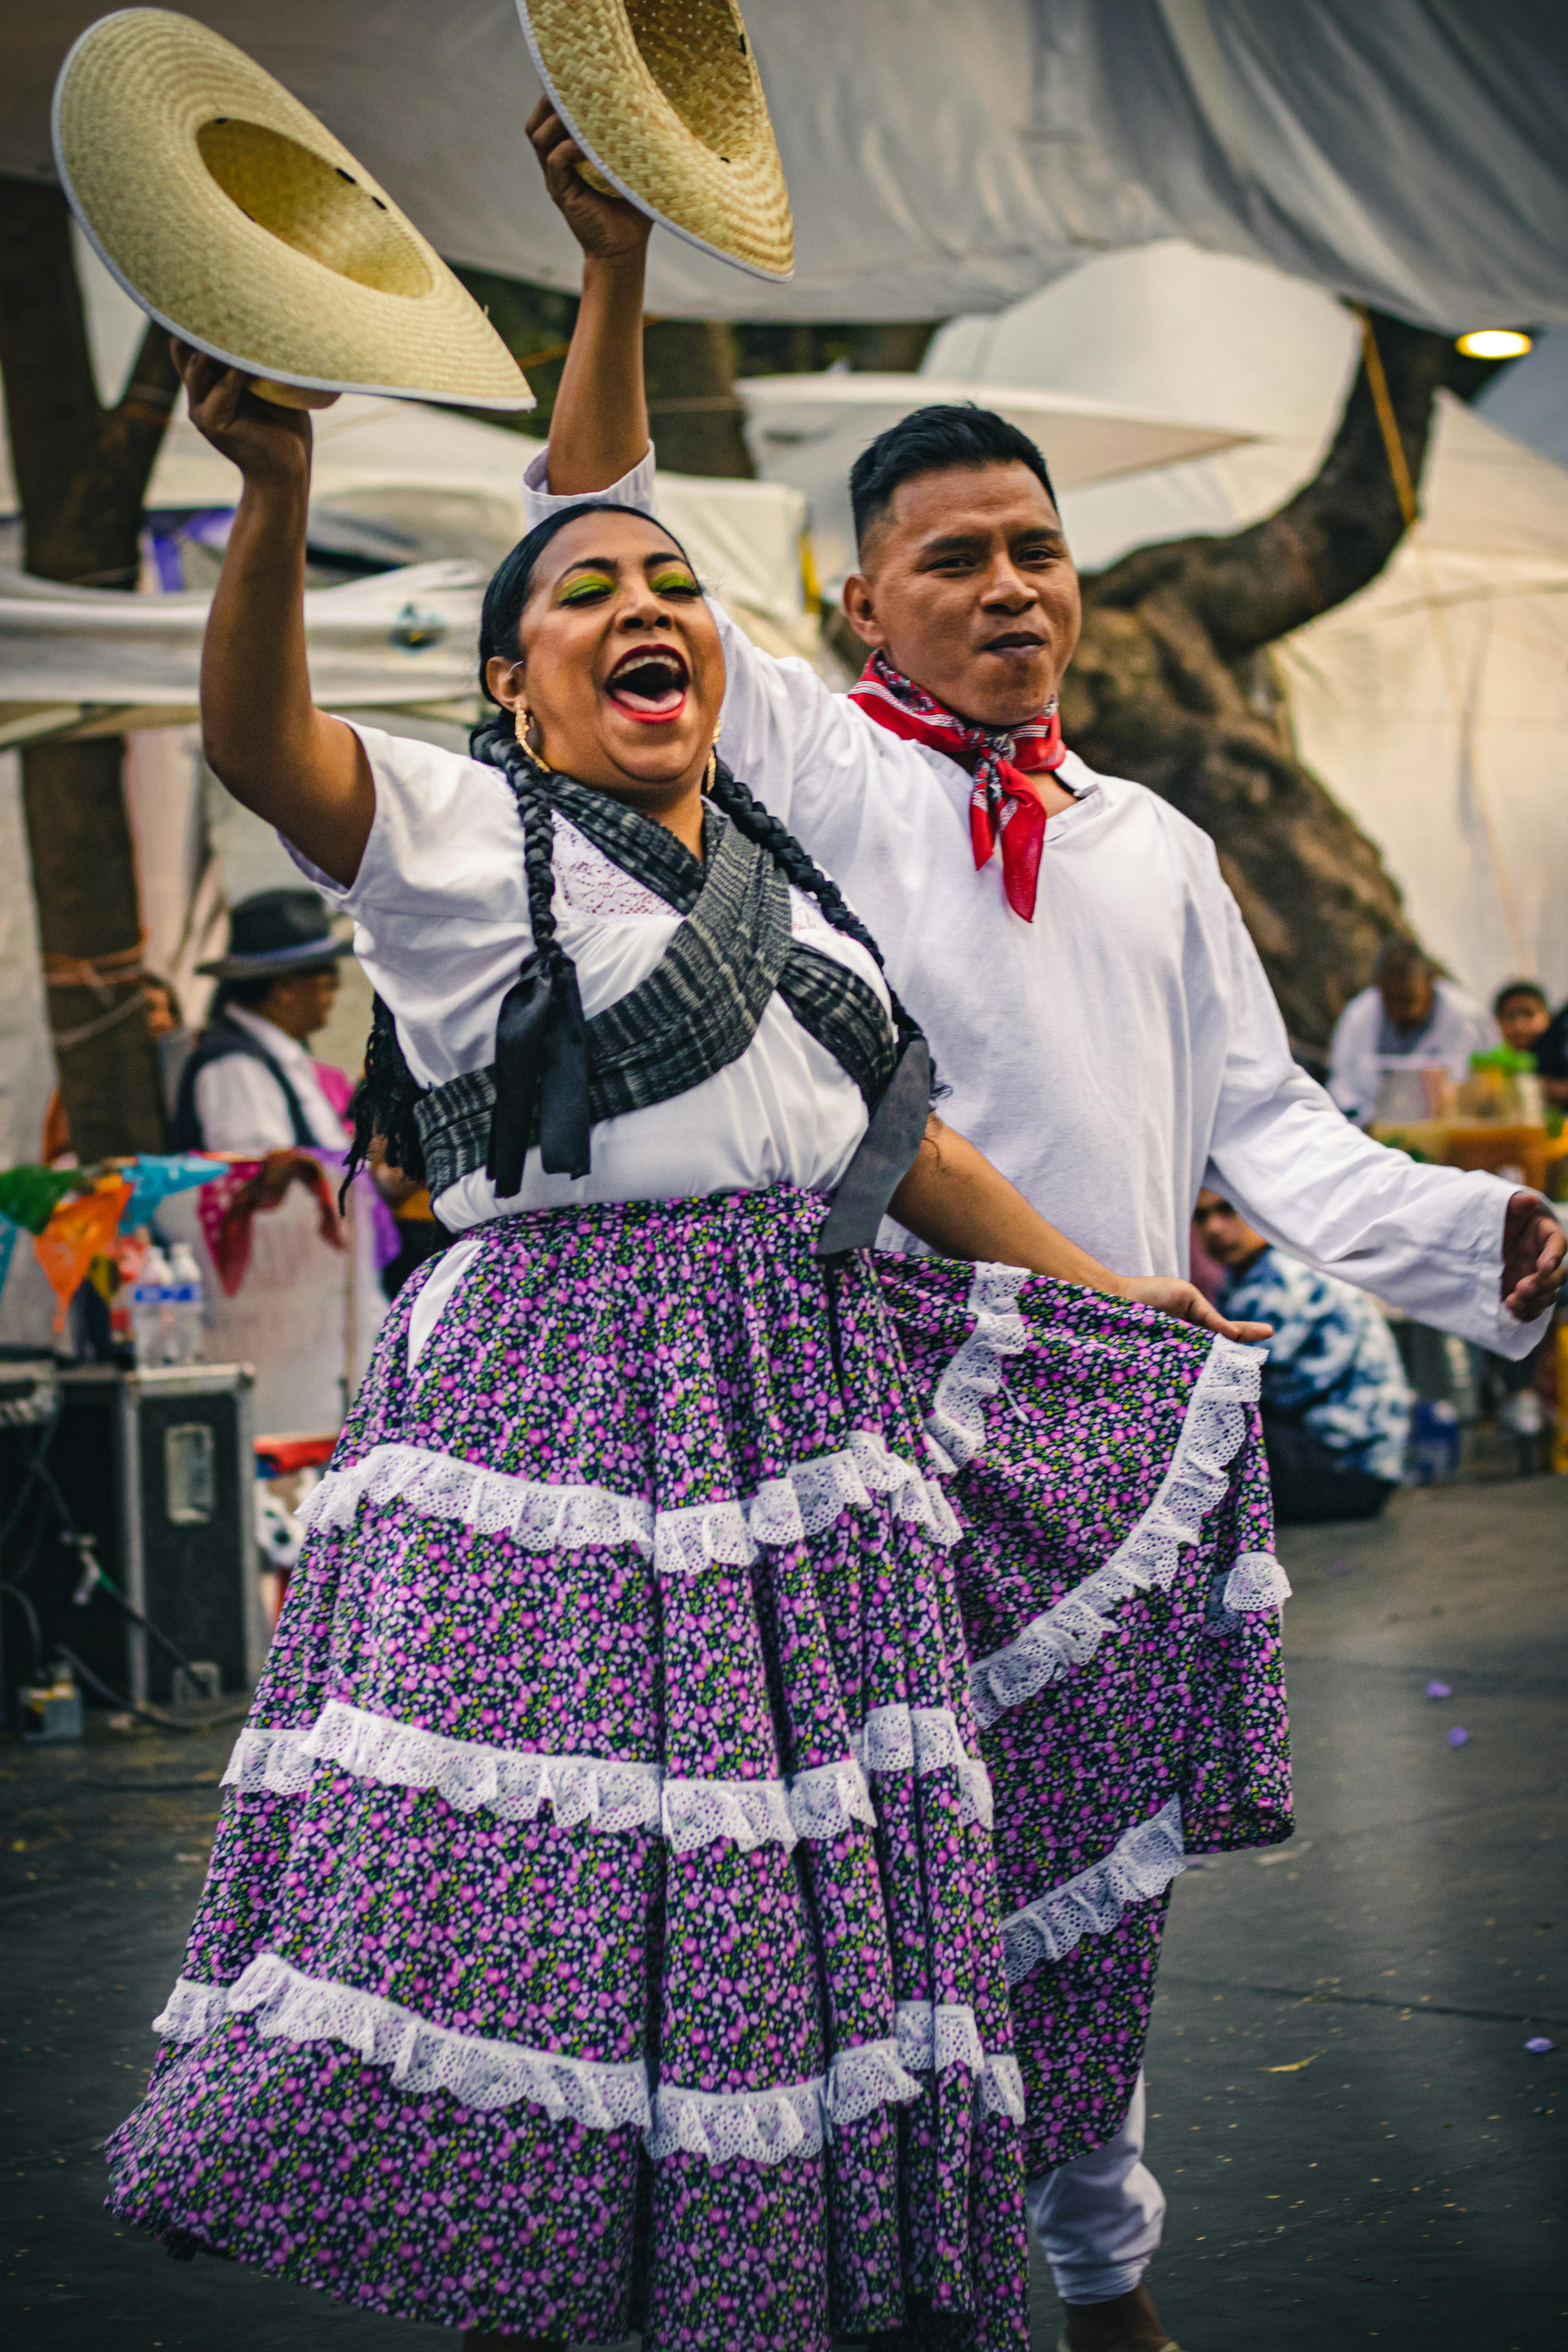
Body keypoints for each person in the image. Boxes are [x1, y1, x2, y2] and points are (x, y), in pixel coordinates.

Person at [103, 343, 1288, 2352]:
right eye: (581, 593)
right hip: (559, 1432)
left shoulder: (794, 901)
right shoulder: (460, 842)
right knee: (571, 1915)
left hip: (796, 1433)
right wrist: (275, 494)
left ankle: (789, 2279)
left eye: (669, 586)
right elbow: (258, 745)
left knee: (791, 1904)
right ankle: (542, 2293)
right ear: (510, 685)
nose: (639, 608)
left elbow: (902, 1148)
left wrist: (1106, 1293)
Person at [521, 104, 1566, 2352]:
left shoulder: (1160, 846)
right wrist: (614, 270)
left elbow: (1279, 1139)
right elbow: (601, 525)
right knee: (837, 1913)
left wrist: (1504, 1243)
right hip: (855, 1428)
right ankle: (803, 2285)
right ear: (857, 600)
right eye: (958, 554)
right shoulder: (803, 755)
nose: (1011, 585)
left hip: (1114, 1439)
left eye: (1038, 548)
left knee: (1096, 1902)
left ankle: (1105, 2297)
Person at [161, 889, 383, 1433]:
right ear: (284, 989)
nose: (333, 995)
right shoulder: (233, 1067)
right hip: (275, 1326)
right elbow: (268, 1186)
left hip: (318, 1318)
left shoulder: (288, 1062)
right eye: (326, 980)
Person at [1193, 1189, 1411, 1521]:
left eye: (1227, 1210)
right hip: (1350, 1466)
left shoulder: (1282, 1279)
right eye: (1202, 1216)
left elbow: (1229, 1390)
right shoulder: (1255, 1274)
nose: (1215, 1229)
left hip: (1345, 1472)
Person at [1327, 937, 1497, 1125]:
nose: (1397, 1010)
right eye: (1390, 1000)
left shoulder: (1468, 1018)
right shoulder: (1358, 1016)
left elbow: (1488, 1087)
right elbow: (1342, 1084)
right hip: (1372, 1134)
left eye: (1407, 1000)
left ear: (1431, 982)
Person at [1492, 979, 1552, 1058]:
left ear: (1547, 1018)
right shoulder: (1487, 1066)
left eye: (1528, 1014)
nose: (1519, 1026)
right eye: (1510, 1016)